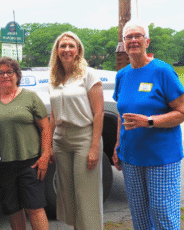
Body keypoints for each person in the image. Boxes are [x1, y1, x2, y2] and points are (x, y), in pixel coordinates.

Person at [112, 19, 184, 230]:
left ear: (147, 41)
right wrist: (118, 145)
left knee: (163, 214)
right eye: (128, 37)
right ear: (124, 43)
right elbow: (120, 114)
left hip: (161, 158)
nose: (133, 40)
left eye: (138, 36)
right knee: (140, 217)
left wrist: (150, 121)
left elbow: (181, 111)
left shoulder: (163, 71)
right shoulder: (122, 75)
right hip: (132, 157)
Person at [49, 31, 104, 230]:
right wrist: (48, 147)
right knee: (68, 195)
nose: (67, 50)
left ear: (78, 50)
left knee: (86, 195)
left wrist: (95, 148)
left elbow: (99, 113)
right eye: (62, 46)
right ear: (57, 50)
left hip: (84, 137)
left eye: (71, 46)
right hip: (61, 140)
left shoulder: (88, 75)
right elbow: (54, 115)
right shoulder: (54, 78)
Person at [0, 56, 51, 230]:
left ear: (17, 75)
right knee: (13, 209)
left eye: (9, 72)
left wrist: (45, 156)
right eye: (0, 73)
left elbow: (45, 128)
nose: (5, 76)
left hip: (30, 163)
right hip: (3, 164)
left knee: (35, 208)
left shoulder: (30, 97)